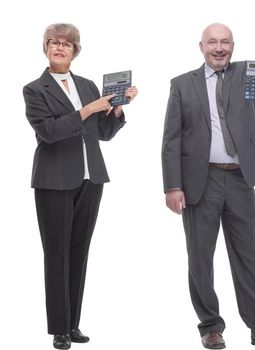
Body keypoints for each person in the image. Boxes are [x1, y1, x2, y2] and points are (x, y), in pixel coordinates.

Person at [161, 23, 255, 349]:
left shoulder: (245, 73)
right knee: (200, 257)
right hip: (199, 181)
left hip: (239, 178)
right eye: (213, 42)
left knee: (250, 256)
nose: (219, 48)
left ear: (233, 46)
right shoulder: (182, 85)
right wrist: (172, 186)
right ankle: (210, 326)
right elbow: (171, 139)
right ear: (201, 46)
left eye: (225, 42)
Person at [23, 23, 138, 350]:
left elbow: (102, 132)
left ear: (75, 51)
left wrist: (116, 108)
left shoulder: (88, 85)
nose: (60, 48)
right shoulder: (34, 89)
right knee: (56, 254)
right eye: (54, 43)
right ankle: (59, 328)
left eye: (66, 44)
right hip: (54, 180)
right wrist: (88, 109)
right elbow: (50, 131)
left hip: (91, 178)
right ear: (46, 48)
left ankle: (72, 324)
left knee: (79, 252)